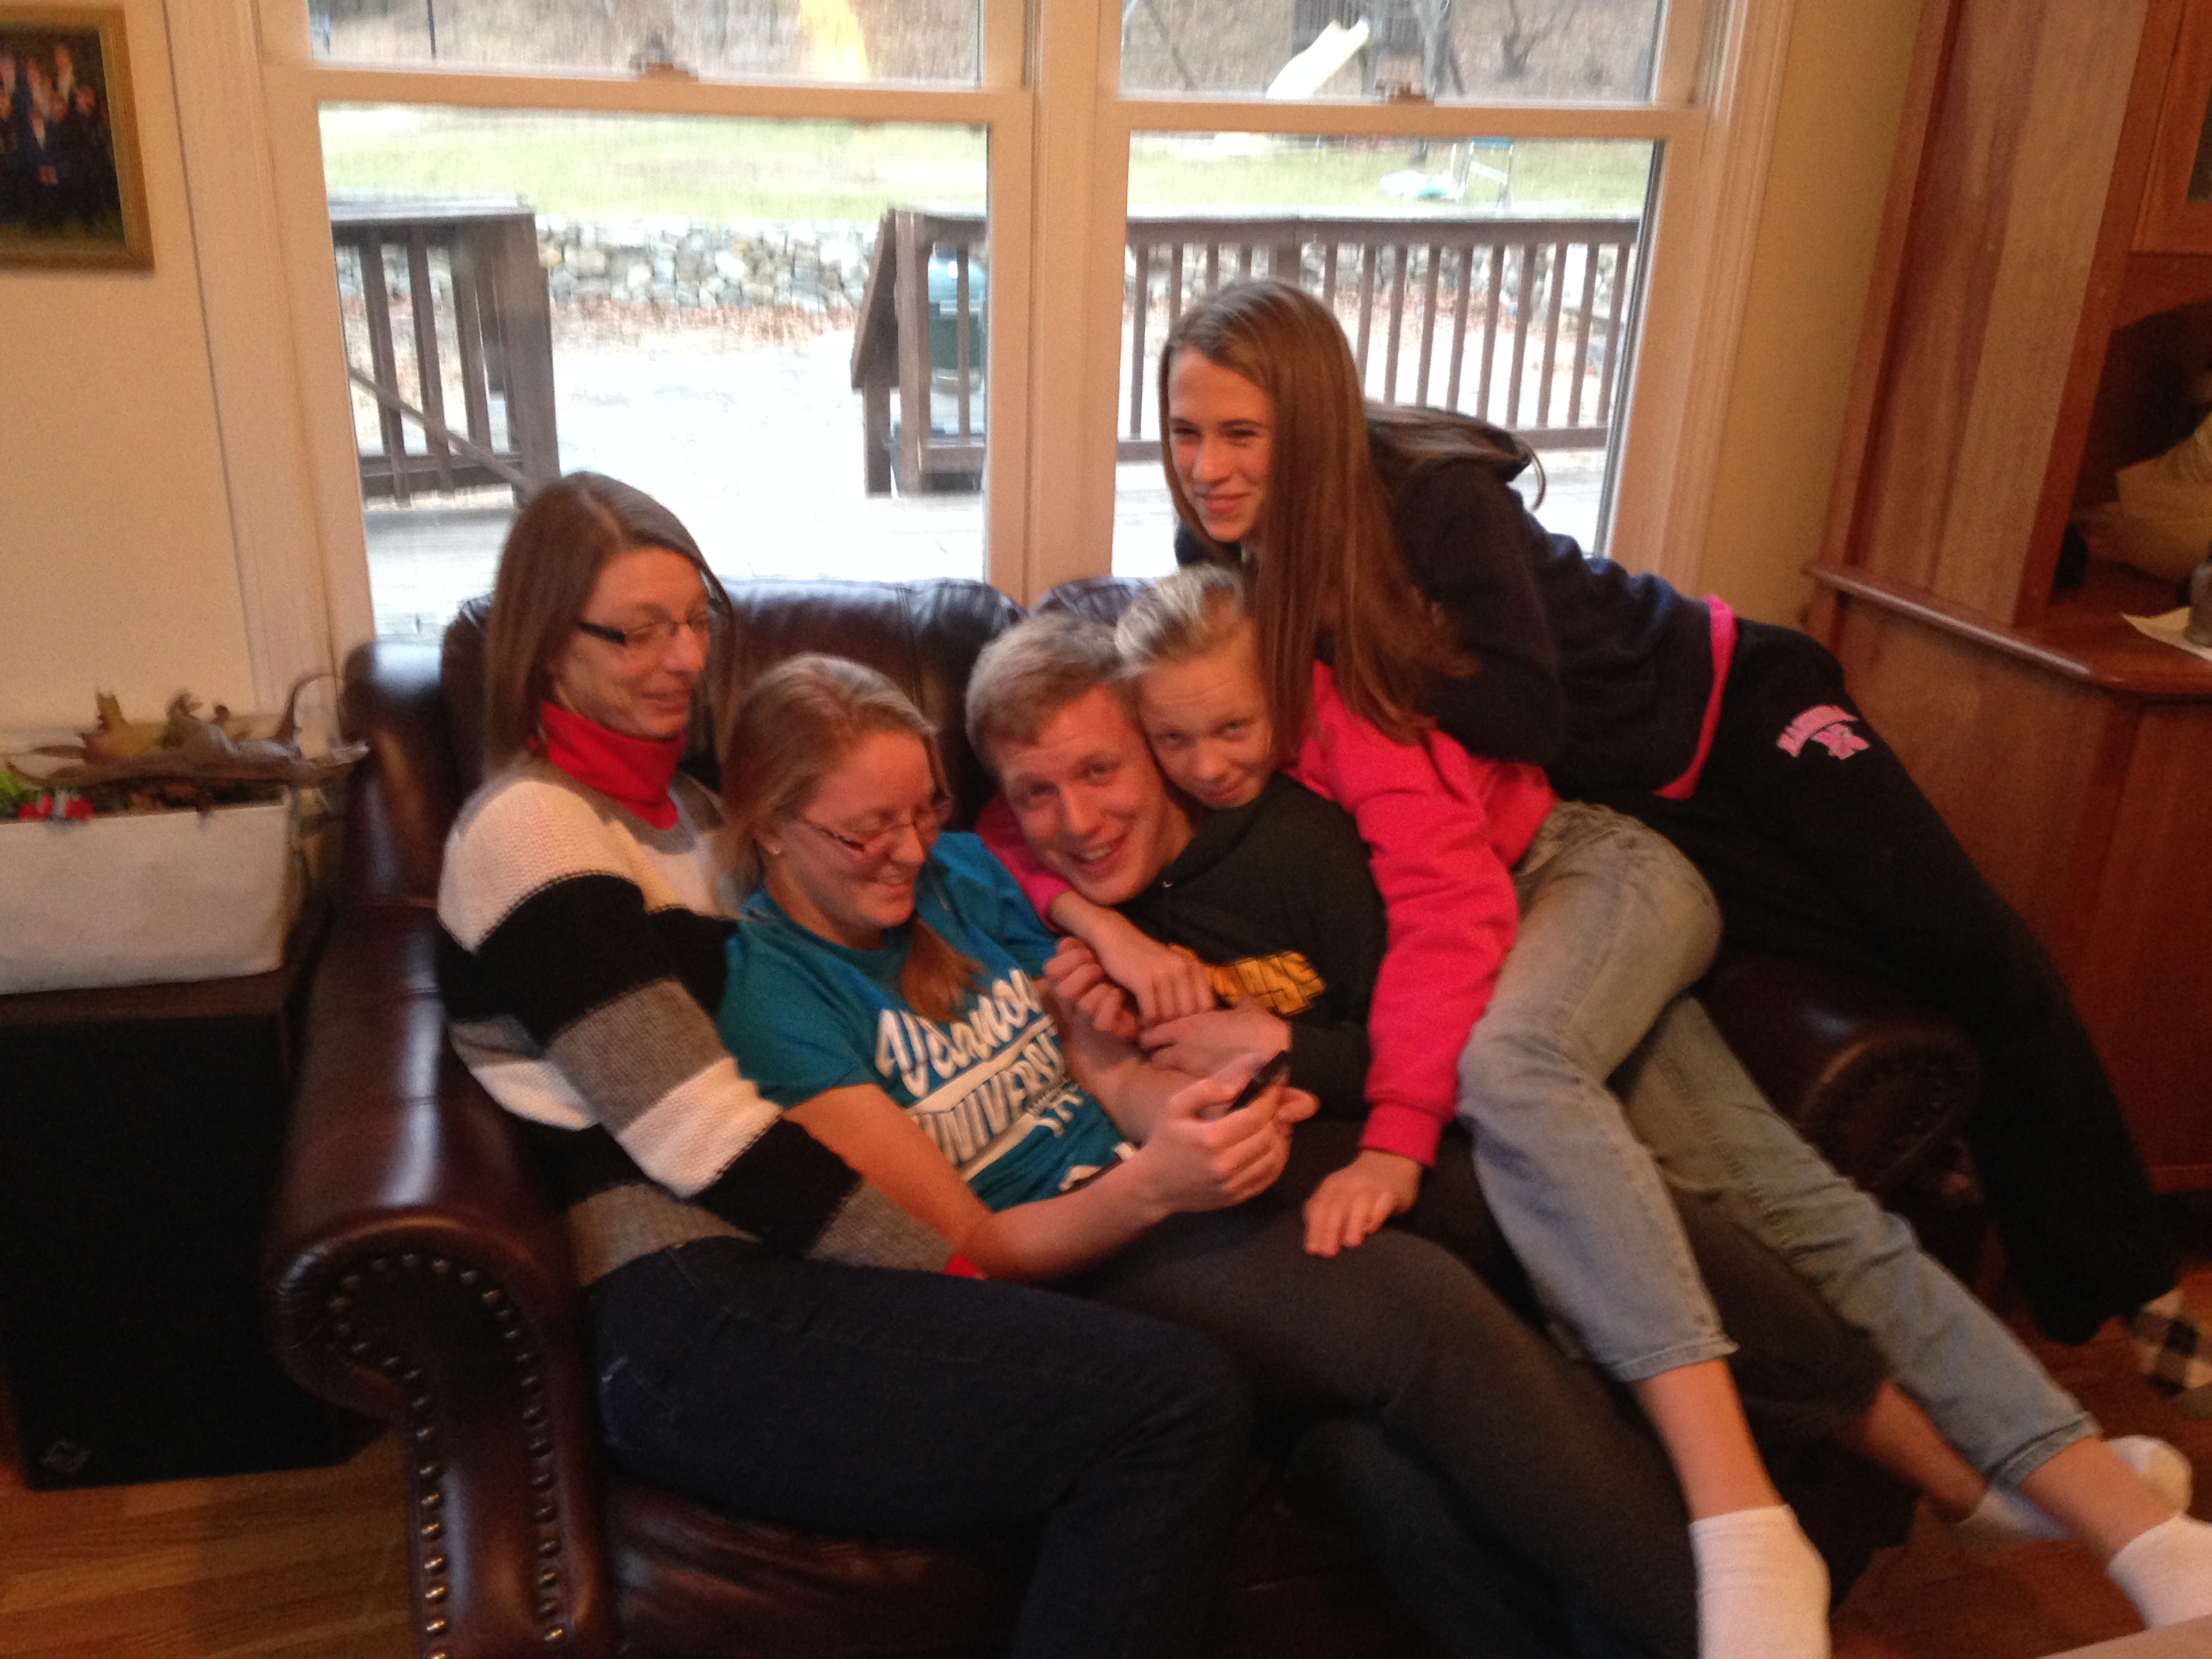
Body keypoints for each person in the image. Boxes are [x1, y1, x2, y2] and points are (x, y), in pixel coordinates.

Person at [1147, 284, 2212, 1636]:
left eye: (1240, 433)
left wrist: (1349, 658)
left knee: (1967, 959)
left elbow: (1520, 716)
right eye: (1183, 432)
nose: (1207, 467)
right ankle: (2133, 1528)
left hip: (1717, 724)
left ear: (1309, 427)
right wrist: (1102, 919)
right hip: (1602, 836)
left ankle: (2117, 1315)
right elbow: (1107, 709)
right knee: (1771, 1192)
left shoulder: (1417, 516)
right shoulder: (1234, 584)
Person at [717, 644, 1906, 1659]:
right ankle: (1742, 1624)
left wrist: (1191, 1104)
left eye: (922, 812)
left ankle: (1869, 1425)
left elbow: (1107, 1074)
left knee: (1500, 1191)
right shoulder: (777, 1005)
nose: (910, 851)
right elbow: (974, 1247)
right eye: (867, 831)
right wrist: (1155, 1184)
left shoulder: (963, 879)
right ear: (768, 826)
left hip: (1165, 1170)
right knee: (1419, 1312)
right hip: (1085, 1266)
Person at [433, 472, 1256, 1659]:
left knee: (1170, 1386)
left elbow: (945, 881)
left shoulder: (695, 816)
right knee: (1171, 1406)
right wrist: (963, 1270)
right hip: (689, 1311)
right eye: (637, 631)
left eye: (694, 619)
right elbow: (697, 1132)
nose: (682, 658)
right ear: (548, 645)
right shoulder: (533, 830)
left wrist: (1095, 936)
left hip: (790, 1267)